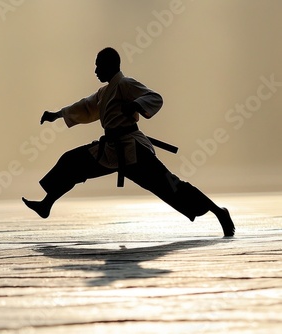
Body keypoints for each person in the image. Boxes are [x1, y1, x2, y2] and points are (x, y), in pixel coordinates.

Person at [22, 47, 235, 237]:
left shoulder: (125, 84)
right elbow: (85, 107)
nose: (95, 70)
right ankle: (46, 204)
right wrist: (57, 115)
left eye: (98, 65)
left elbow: (154, 97)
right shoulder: (105, 92)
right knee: (72, 162)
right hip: (110, 150)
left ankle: (218, 212)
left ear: (109, 65)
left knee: (171, 186)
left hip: (133, 150)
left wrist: (134, 106)